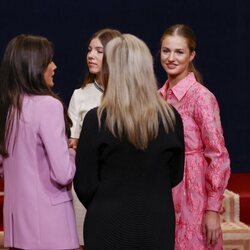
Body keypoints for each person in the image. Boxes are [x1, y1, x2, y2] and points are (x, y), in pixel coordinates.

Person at [74, 34, 185, 250]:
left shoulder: (96, 119)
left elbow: (85, 184)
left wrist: (107, 203)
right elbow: (175, 174)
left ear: (110, 70)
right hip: (156, 223)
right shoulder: (171, 117)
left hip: (107, 223)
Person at [0, 34, 79, 249]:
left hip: (17, 229)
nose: (54, 66)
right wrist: (72, 153)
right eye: (48, 61)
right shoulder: (48, 106)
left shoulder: (7, 109)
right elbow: (63, 174)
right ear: (33, 66)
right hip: (50, 229)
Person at [159, 24, 231, 249]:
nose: (171, 58)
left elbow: (218, 155)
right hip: (163, 190)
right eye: (165, 50)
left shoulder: (202, 98)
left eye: (179, 52)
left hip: (194, 194)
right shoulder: (157, 98)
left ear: (191, 55)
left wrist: (212, 210)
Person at [68, 28, 121, 247]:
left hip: (121, 185)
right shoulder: (80, 95)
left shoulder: (131, 95)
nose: (91, 55)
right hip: (88, 185)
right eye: (90, 50)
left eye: (99, 50)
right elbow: (73, 143)